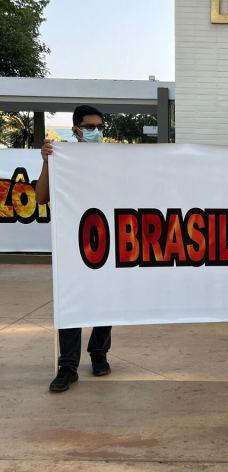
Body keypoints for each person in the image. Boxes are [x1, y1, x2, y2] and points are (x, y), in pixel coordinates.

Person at [36, 105, 113, 393]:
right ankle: (67, 366)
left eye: (100, 128)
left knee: (104, 301)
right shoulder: (61, 157)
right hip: (72, 244)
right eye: (91, 127)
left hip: (103, 240)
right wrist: (47, 162)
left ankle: (99, 354)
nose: (96, 133)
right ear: (77, 129)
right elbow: (42, 197)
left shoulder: (110, 160)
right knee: (71, 302)